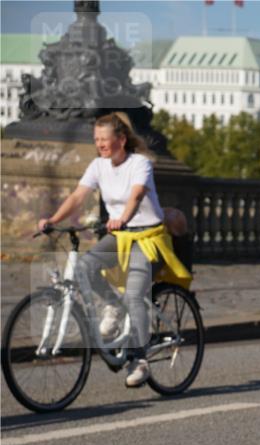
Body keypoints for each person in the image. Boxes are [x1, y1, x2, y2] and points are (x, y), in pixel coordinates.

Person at [37, 112, 191, 388]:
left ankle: (140, 359)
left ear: (121, 139)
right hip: (120, 237)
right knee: (85, 266)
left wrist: (124, 218)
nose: (100, 145)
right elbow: (77, 196)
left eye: (104, 139)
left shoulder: (140, 163)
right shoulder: (98, 165)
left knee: (135, 294)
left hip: (148, 238)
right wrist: (53, 220)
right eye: (96, 140)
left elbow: (136, 195)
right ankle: (113, 305)